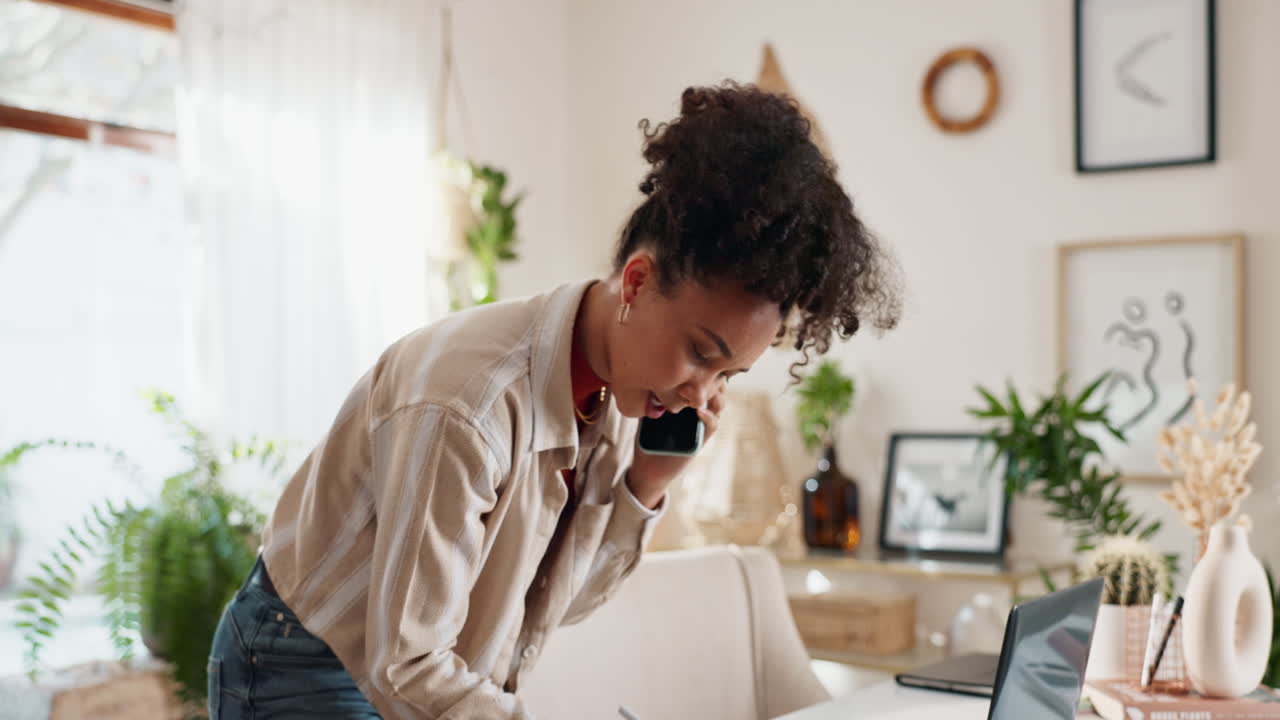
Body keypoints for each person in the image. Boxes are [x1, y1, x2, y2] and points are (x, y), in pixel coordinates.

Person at [207, 81, 902, 719]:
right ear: (635, 283)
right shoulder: (465, 405)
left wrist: (645, 487)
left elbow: (553, 608)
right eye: (702, 353)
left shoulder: (628, 395)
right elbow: (407, 665)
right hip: (301, 658)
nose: (703, 393)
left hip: (407, 671)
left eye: (728, 375)